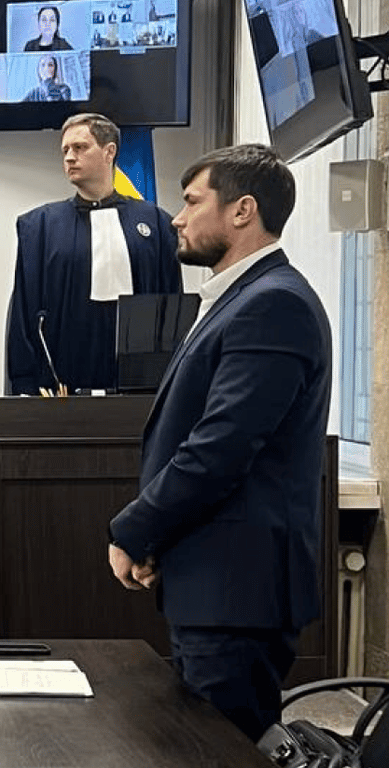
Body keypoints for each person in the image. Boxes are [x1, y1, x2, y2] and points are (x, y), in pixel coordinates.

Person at [108, 144, 331, 742]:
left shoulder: (273, 302)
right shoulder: (239, 298)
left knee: (222, 752)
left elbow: (220, 448)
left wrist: (134, 529)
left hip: (238, 592)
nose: (177, 218)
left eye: (191, 202)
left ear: (242, 210)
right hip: (214, 585)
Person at [5, 113, 180, 395]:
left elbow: (171, 310)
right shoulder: (39, 227)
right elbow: (24, 313)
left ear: (109, 152)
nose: (69, 157)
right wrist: (25, 387)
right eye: (65, 150)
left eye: (80, 147)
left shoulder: (157, 223)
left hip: (140, 386)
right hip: (60, 387)